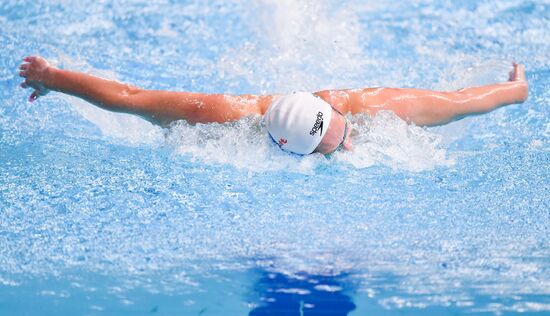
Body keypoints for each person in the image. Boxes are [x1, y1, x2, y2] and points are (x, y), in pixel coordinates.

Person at [18, 56, 528, 156]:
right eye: (334, 150)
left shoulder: (374, 109)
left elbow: (462, 102)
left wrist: (516, 90)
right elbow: (130, 99)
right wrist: (55, 78)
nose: (351, 146)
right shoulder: (223, 119)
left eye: (344, 135)